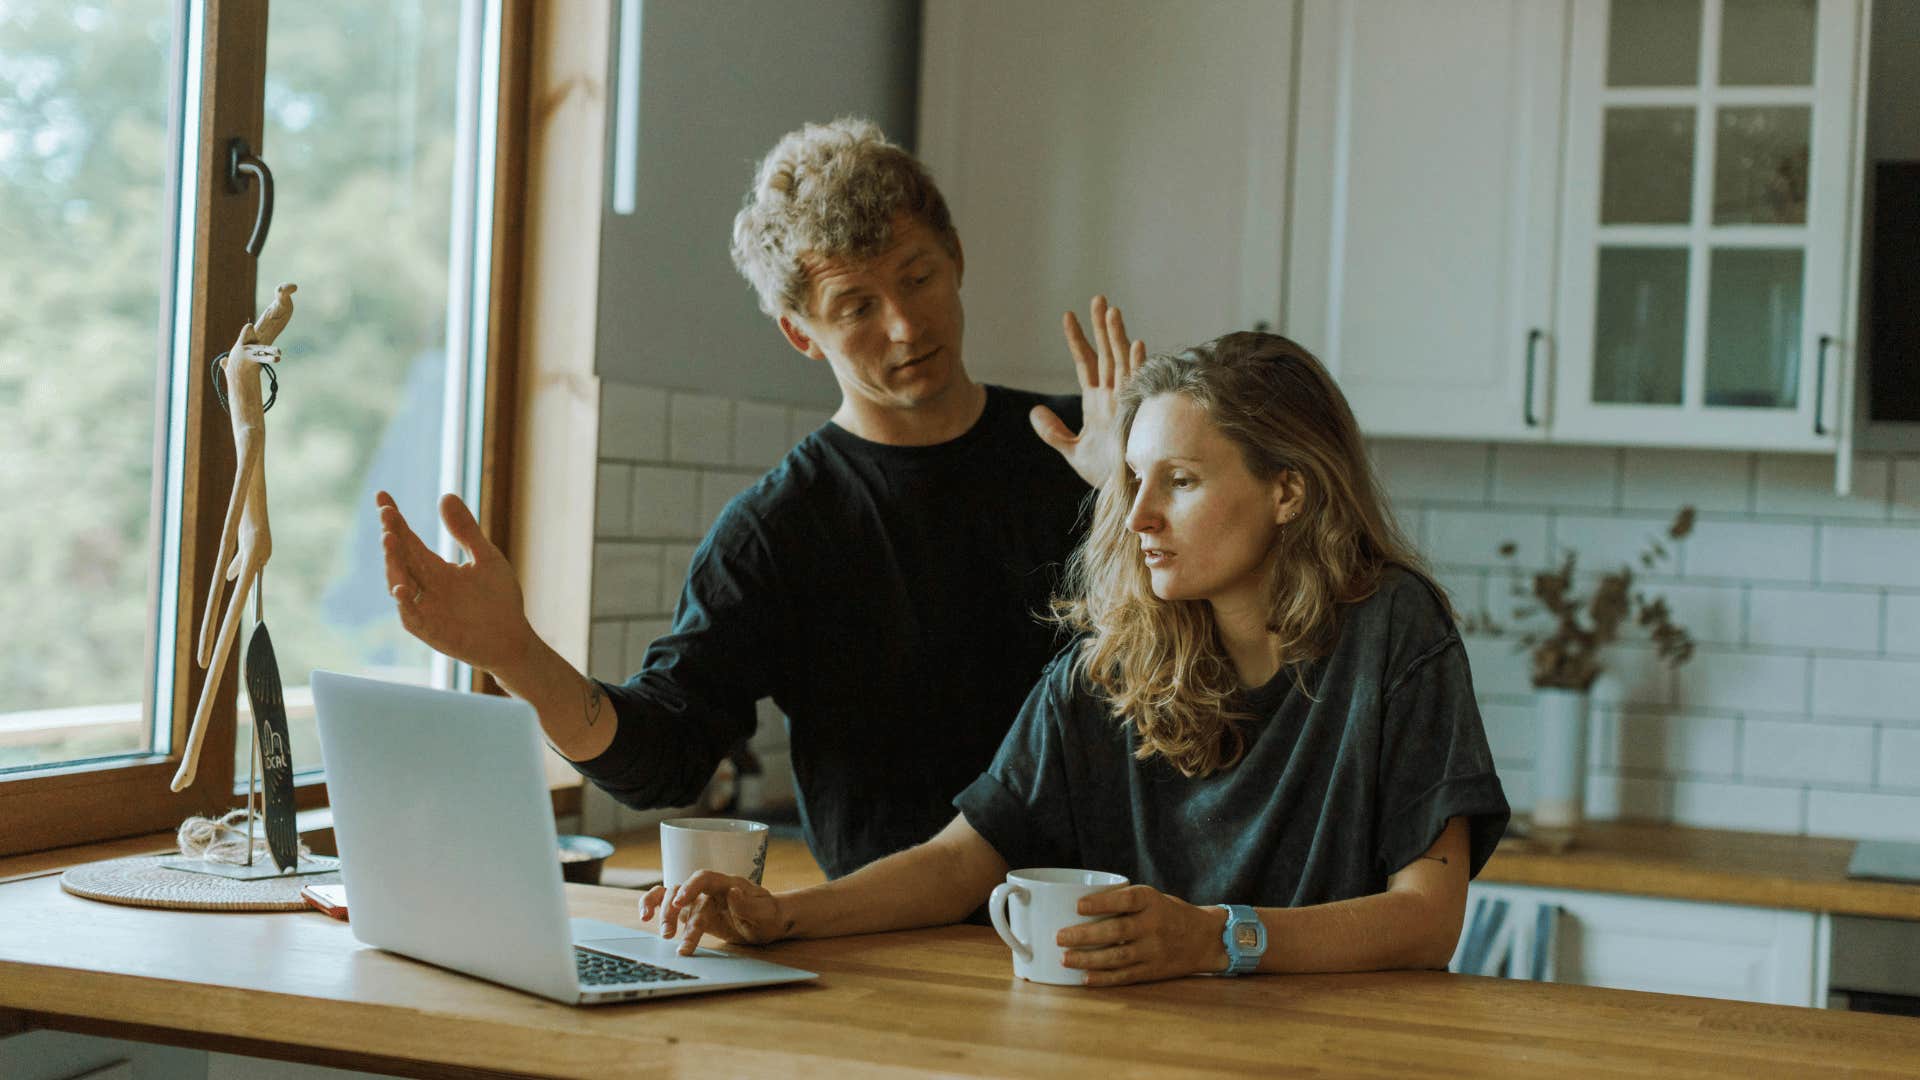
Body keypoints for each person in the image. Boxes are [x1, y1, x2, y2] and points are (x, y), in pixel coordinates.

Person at [375, 117, 1145, 878]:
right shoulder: (780, 531)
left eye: (917, 277)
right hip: (895, 947)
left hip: (1121, 916)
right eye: (857, 307)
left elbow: (1221, 660)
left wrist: (1129, 492)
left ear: (957, 258)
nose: (906, 326)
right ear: (801, 334)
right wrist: (516, 656)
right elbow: (667, 761)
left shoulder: (1089, 449)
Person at [643, 331, 1512, 985]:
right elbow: (961, 859)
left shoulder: (1393, 628)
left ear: (1288, 490)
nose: (1137, 519)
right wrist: (781, 916)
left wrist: (1213, 937)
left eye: (1180, 481)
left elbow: (1426, 921)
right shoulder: (1116, 658)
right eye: (1133, 481)